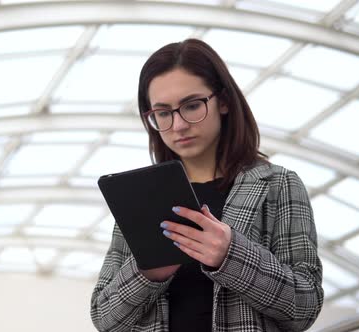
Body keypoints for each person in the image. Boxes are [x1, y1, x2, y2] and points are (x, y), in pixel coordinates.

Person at [90, 39, 323, 332]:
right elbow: (104, 317)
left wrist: (232, 255)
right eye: (162, 113)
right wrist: (146, 274)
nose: (178, 125)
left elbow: (305, 307)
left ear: (223, 101)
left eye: (191, 105)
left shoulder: (277, 185)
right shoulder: (141, 195)